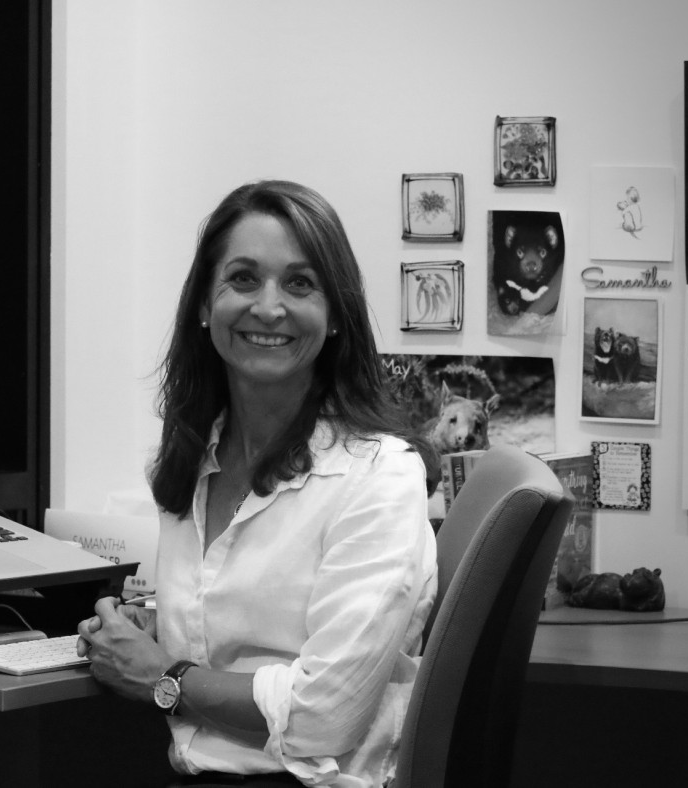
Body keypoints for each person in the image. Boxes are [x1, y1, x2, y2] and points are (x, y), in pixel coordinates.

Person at [76, 180, 438, 788]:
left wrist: (164, 677)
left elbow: (326, 717)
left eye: (299, 284)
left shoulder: (380, 477)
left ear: (335, 318)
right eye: (243, 278)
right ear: (203, 305)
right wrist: (159, 631)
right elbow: (249, 626)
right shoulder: (194, 458)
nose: (268, 308)